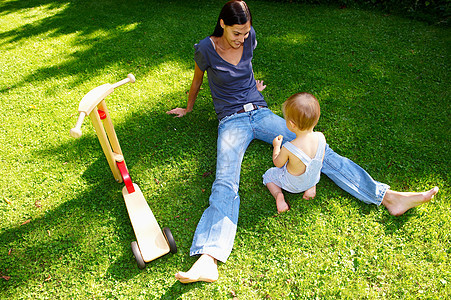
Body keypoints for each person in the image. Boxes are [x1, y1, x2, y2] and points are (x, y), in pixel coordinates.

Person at [166, 0, 439, 284]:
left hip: (260, 113)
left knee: (322, 152)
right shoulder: (205, 48)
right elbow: (198, 79)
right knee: (225, 179)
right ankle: (209, 257)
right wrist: (189, 107)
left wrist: (252, 88)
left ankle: (388, 197)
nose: (242, 39)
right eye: (237, 33)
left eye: (246, 34)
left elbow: (245, 67)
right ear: (222, 24)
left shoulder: (250, 38)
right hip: (231, 120)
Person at [263, 93, 325, 213]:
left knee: (268, 175)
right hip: (313, 177)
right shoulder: (321, 137)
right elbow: (319, 161)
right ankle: (311, 187)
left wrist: (276, 146)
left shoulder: (289, 148)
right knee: (312, 167)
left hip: (293, 185)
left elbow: (278, 163)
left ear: (291, 124)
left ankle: (278, 196)